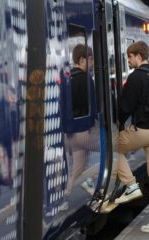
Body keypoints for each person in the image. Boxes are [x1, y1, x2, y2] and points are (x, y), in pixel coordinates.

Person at [114, 41, 149, 234]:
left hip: (143, 131)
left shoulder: (136, 77)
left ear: (138, 56)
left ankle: (130, 185)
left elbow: (124, 107)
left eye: (130, 56)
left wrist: (117, 124)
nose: (128, 60)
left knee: (111, 149)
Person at [63, 44, 98, 210]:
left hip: (69, 133)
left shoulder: (67, 79)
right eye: (91, 59)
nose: (92, 63)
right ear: (82, 60)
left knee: (77, 167)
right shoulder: (87, 79)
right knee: (115, 150)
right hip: (83, 132)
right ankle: (87, 184)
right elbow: (92, 105)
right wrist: (92, 124)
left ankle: (67, 197)